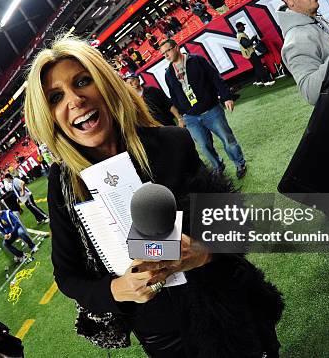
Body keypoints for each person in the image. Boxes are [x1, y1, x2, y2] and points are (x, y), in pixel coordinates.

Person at [23, 36, 283, 356]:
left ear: (105, 84)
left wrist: (203, 252)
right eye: (55, 97)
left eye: (82, 81)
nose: (74, 99)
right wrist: (116, 289)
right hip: (163, 336)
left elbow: (233, 224)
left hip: (228, 307)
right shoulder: (62, 185)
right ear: (48, 116)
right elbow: (67, 275)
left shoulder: (173, 143)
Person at [161, 38, 248, 178]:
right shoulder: (168, 73)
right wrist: (181, 115)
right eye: (163, 54)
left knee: (227, 139)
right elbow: (174, 95)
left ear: (176, 47)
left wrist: (226, 96)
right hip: (191, 118)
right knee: (204, 147)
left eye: (167, 51)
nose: (165, 56)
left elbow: (215, 78)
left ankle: (239, 163)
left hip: (211, 110)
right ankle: (218, 166)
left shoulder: (197, 60)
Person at [235, 22, 275, 87]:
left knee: (256, 67)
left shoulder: (240, 34)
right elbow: (247, 44)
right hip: (250, 53)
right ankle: (266, 81)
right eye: (243, 26)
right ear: (239, 27)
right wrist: (253, 39)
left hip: (248, 53)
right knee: (259, 67)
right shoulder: (240, 35)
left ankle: (258, 81)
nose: (244, 27)